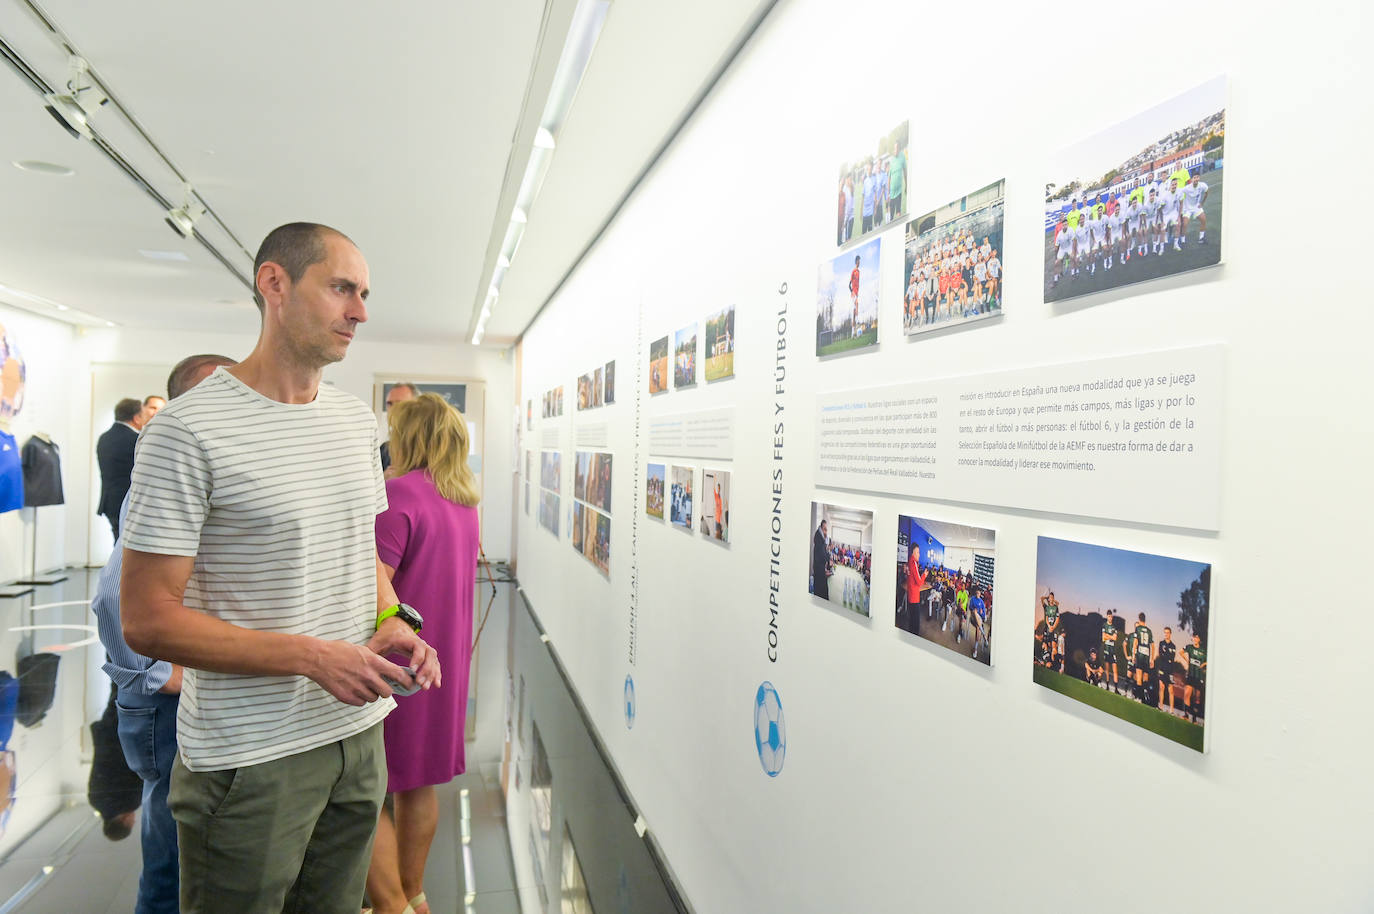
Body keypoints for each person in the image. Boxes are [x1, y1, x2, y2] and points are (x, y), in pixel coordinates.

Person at [120, 223, 440, 914]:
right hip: (250, 758)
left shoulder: (357, 424)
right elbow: (145, 620)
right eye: (340, 289)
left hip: (357, 736)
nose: (359, 311)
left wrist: (393, 620)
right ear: (275, 285)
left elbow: (361, 558)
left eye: (363, 294)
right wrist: (310, 657)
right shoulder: (186, 431)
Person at [93, 352, 238, 914]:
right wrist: (162, 673)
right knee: (172, 854)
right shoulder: (167, 473)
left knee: (194, 844)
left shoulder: (203, 470)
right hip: (165, 704)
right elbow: (114, 590)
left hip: (188, 696)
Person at [366, 393, 480, 914]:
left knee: (370, 789)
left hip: (400, 664)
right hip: (445, 663)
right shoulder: (463, 500)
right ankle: (413, 892)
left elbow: (375, 589)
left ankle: (388, 903)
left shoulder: (398, 495)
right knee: (420, 782)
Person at [87, 684, 142, 843]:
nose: (134, 819)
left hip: (126, 739)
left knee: (135, 690)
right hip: (106, 737)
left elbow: (141, 772)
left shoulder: (130, 802)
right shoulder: (94, 801)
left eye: (132, 822)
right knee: (117, 693)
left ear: (125, 822)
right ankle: (115, 659)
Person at [95, 398, 142, 539]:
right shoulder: (136, 439)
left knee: (117, 543)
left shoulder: (104, 437)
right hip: (128, 503)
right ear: (137, 418)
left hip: (109, 501)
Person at [380, 382, 420, 473]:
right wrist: (383, 480)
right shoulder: (384, 450)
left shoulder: (431, 448)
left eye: (400, 403)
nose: (393, 409)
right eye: (389, 404)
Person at [1183, 633, 1206, 722]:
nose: (1195, 639)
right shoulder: (1189, 647)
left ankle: (1195, 718)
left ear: (1199, 639)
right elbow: (1181, 652)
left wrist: (1203, 664)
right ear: (1192, 639)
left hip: (1199, 676)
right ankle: (1186, 715)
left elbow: (1207, 661)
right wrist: (1187, 660)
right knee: (1187, 693)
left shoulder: (1203, 651)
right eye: (1194, 637)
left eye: (1197, 637)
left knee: (1197, 697)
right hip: (1191, 675)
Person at [811, 519, 831, 599]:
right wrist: (828, 552)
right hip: (819, 571)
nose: (826, 532)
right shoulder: (819, 540)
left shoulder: (820, 538)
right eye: (825, 529)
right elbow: (824, 557)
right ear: (821, 529)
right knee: (822, 593)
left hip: (819, 569)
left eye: (826, 530)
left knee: (820, 592)